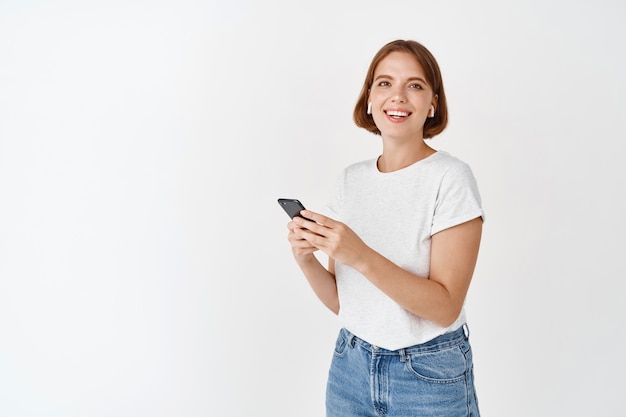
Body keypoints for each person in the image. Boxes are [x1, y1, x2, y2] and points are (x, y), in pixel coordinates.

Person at [286, 39, 484, 417]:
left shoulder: (450, 178)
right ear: (369, 99)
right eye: (384, 83)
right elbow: (347, 303)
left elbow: (444, 308)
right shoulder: (351, 180)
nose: (398, 96)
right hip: (350, 366)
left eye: (414, 85)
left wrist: (359, 255)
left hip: (427, 376)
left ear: (432, 104)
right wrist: (306, 259)